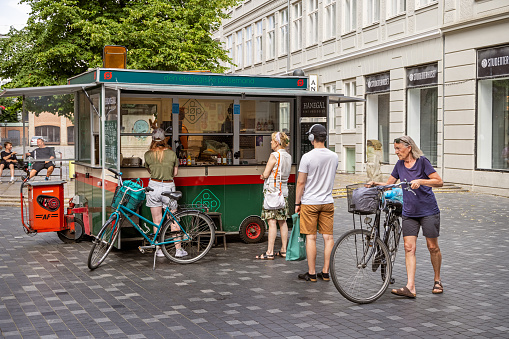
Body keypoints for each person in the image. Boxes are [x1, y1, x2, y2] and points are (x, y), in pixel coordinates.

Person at [368, 135, 444, 298]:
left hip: (428, 210)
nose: (396, 152)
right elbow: (390, 184)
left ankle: (437, 280)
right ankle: (410, 287)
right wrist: (375, 183)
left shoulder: (422, 162)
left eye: (398, 149)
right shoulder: (399, 165)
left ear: (408, 148)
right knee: (409, 247)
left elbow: (438, 181)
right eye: (395, 149)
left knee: (433, 247)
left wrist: (421, 181)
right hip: (409, 212)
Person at [295, 124, 338, 282]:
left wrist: (297, 203)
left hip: (310, 202)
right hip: (327, 202)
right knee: (328, 237)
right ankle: (325, 271)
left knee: (311, 238)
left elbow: (300, 183)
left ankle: (312, 273)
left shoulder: (307, 157)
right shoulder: (334, 156)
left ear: (312, 138)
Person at [144, 128, 185, 258]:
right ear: (164, 139)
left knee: (156, 220)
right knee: (173, 220)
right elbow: (175, 173)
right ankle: (178, 250)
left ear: (153, 139)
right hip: (168, 187)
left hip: (153, 187)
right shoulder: (172, 154)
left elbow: (149, 171)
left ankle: (159, 250)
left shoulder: (148, 154)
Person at [256, 132, 291, 260]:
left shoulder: (274, 155)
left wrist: (263, 176)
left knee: (271, 222)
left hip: (272, 192)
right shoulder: (288, 156)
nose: (270, 143)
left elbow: (265, 174)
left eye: (272, 141)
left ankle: (270, 252)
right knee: (283, 221)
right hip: (283, 193)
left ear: (277, 143)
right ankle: (284, 250)